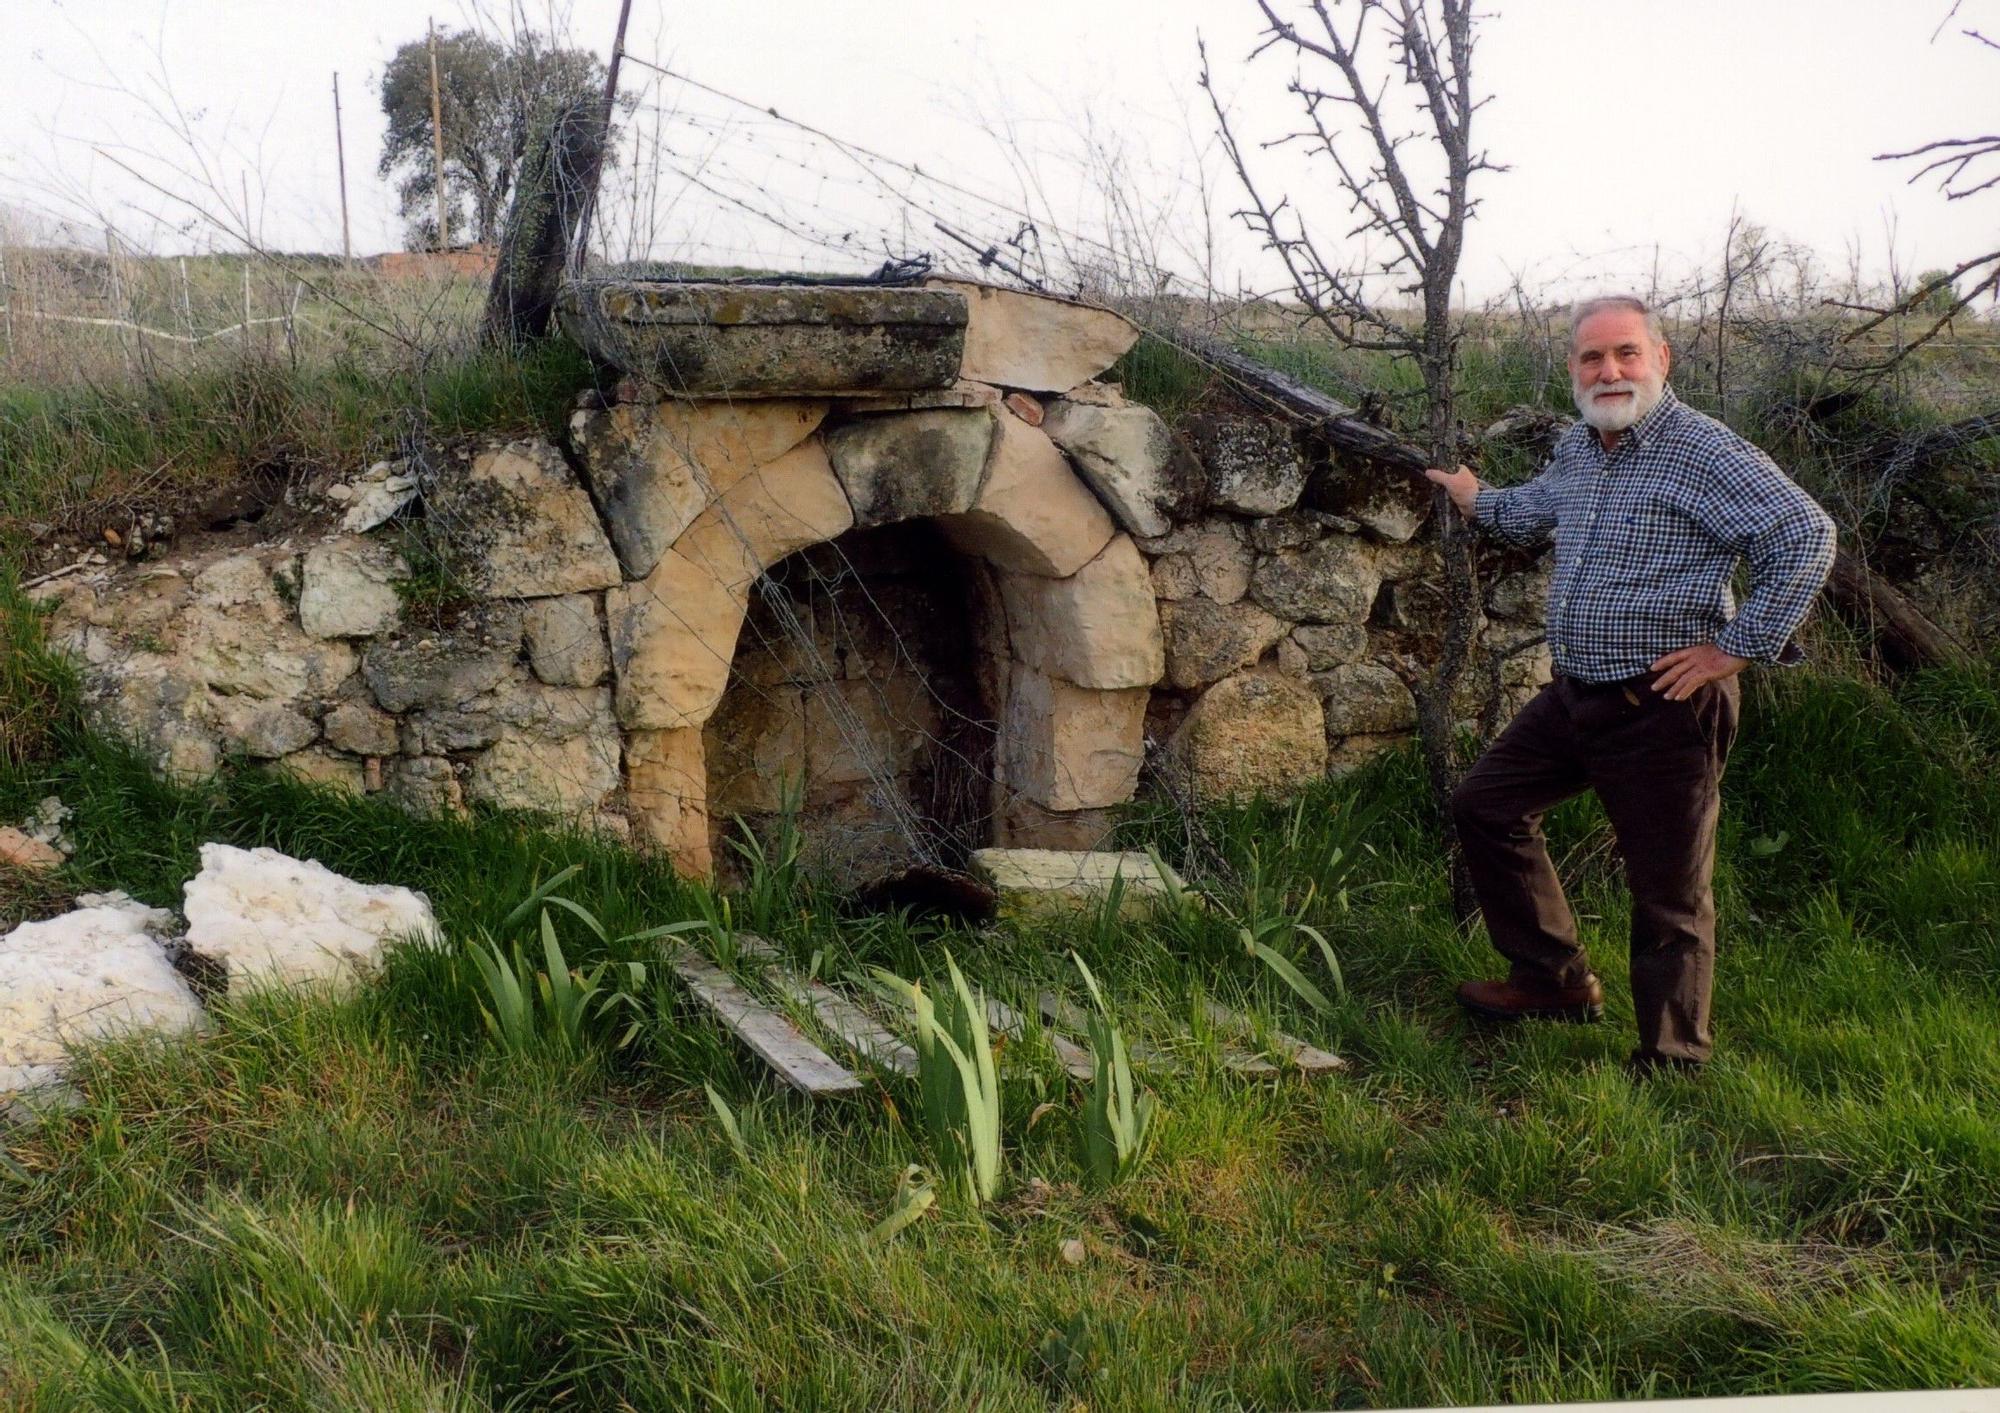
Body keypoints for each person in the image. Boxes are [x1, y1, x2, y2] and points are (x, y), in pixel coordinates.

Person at [1424, 294, 1836, 1075]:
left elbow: (1806, 533)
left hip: (1666, 702)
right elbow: (1532, 512)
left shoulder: (1704, 451)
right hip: (1578, 694)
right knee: (1487, 803)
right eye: (1591, 358)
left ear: (1660, 359)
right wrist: (1477, 500)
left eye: (1625, 354)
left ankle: (1674, 1058)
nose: (1609, 371)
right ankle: (1554, 981)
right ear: (1573, 369)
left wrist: (1736, 648)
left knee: (1667, 893)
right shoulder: (1583, 449)